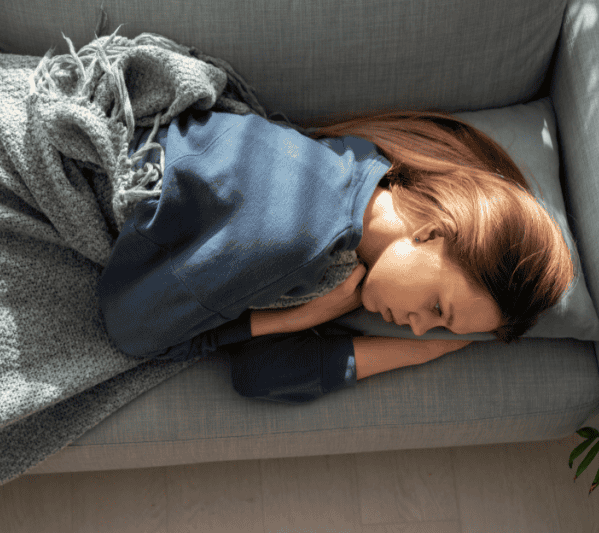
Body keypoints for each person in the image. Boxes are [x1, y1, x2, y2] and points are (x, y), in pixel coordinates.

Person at [97, 108, 575, 403]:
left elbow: (256, 374)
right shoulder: (300, 238)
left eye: (438, 326)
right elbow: (130, 330)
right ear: (433, 233)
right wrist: (291, 320)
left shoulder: (365, 170)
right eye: (436, 309)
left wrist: (423, 351)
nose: (416, 326)